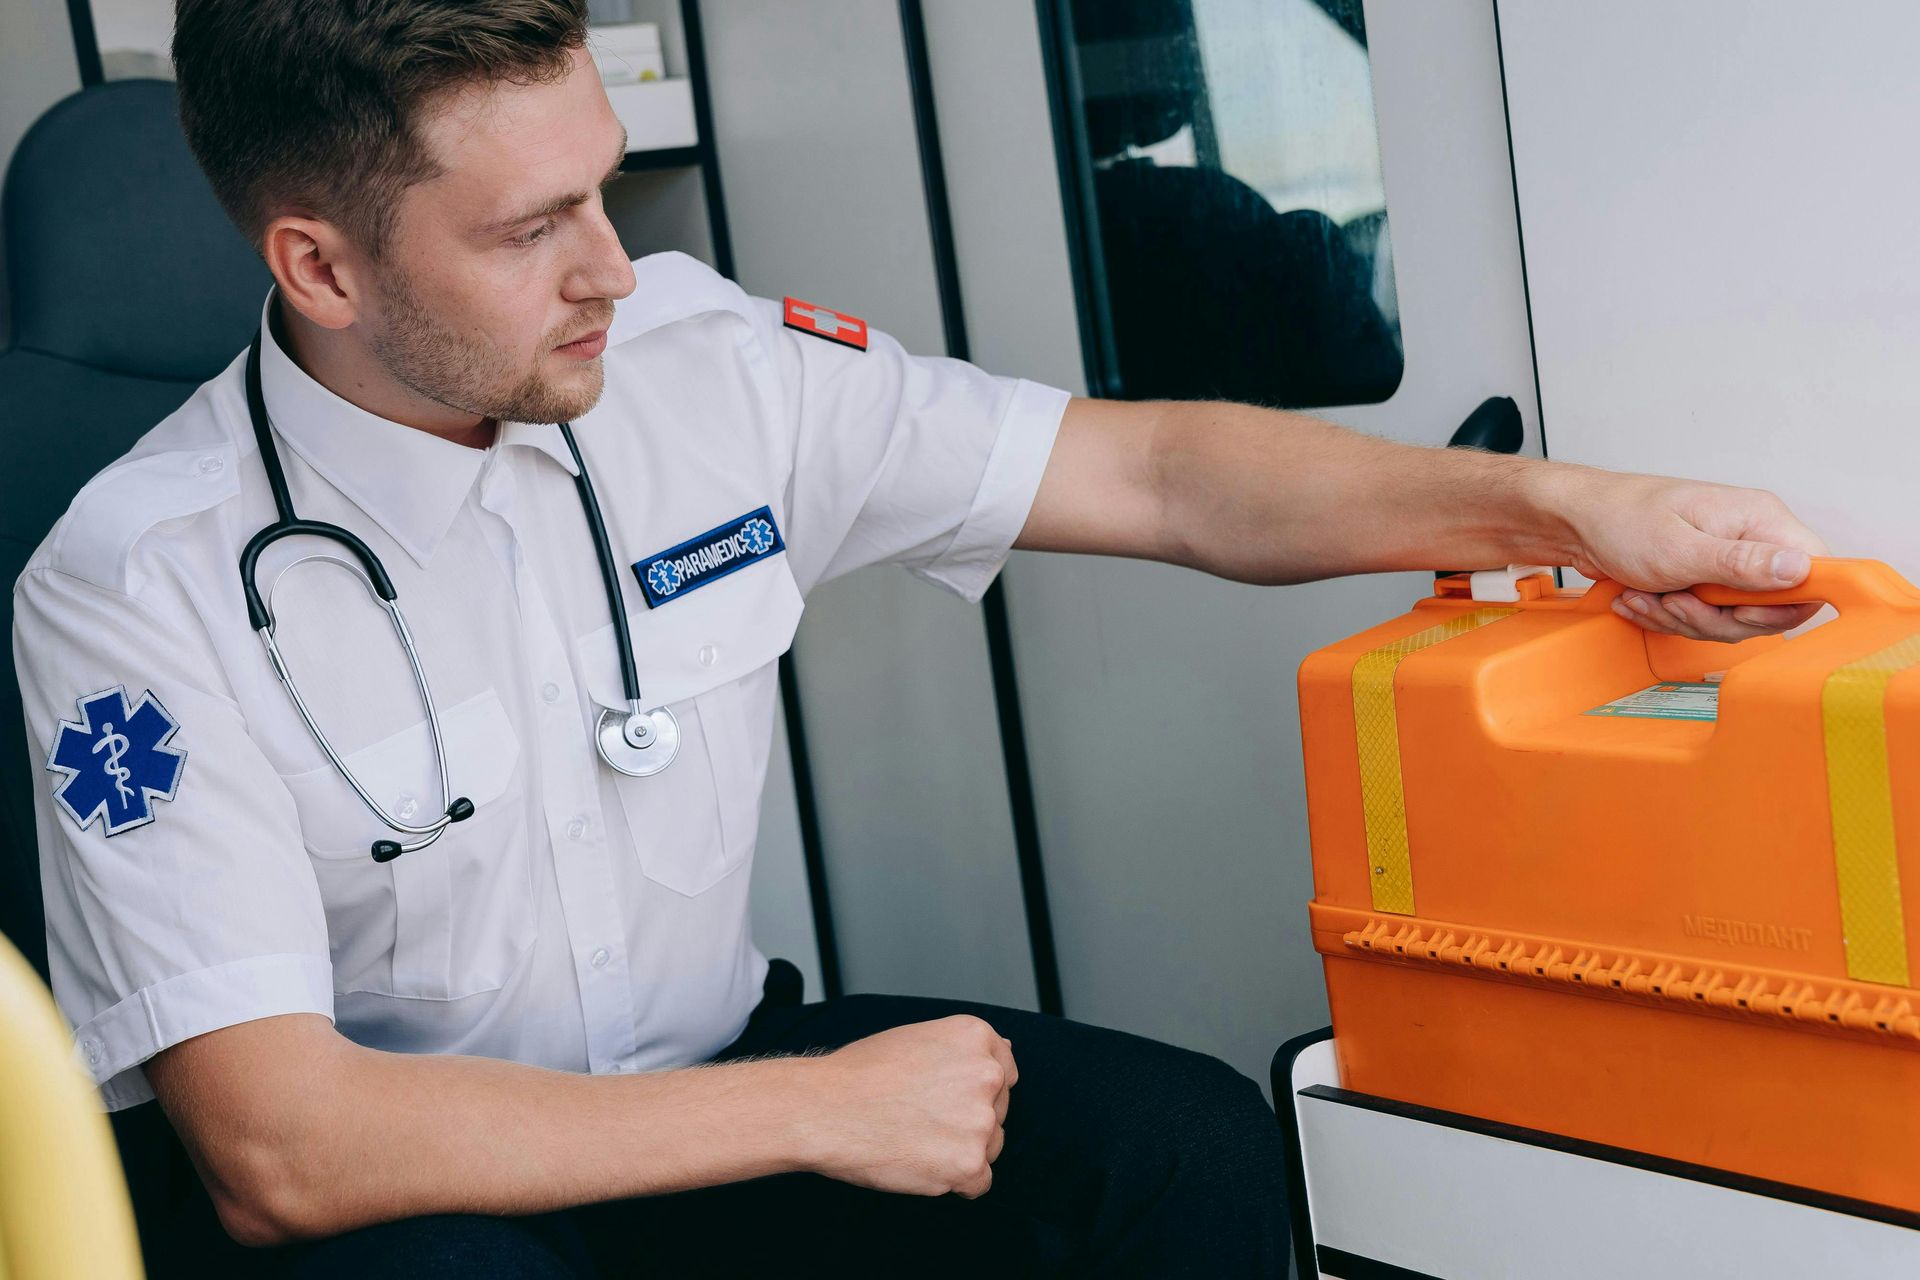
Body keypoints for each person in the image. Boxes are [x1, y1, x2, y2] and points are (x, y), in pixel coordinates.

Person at [11, 1, 1825, 1276]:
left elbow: (1169, 474)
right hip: (407, 1206)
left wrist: (1575, 511)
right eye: (533, 228)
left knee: (1175, 1153)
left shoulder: (698, 369)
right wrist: (813, 1115)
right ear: (321, 267)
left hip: (711, 1087)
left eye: (603, 186)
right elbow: (281, 1150)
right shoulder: (134, 585)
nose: (615, 269)